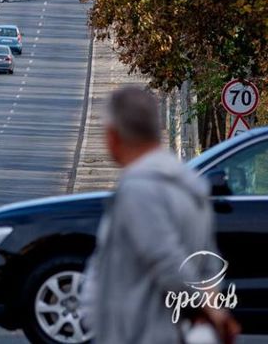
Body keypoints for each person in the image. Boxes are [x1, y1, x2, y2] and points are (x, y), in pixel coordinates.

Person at [84, 86, 239, 344]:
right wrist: (213, 309)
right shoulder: (190, 186)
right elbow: (209, 264)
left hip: (138, 333)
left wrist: (211, 312)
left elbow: (166, 259)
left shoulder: (139, 189)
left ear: (113, 136)